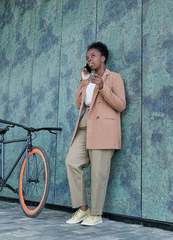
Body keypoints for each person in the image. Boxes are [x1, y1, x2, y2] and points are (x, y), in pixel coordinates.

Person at [65, 42, 126, 226]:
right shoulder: (88, 79)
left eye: (92, 56)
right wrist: (83, 80)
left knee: (99, 173)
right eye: (87, 58)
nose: (89, 59)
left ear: (102, 58)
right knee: (72, 162)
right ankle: (84, 209)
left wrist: (102, 87)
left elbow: (121, 104)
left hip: (104, 130)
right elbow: (78, 104)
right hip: (84, 127)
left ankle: (96, 214)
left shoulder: (114, 78)